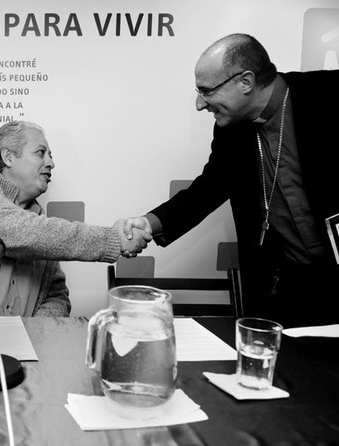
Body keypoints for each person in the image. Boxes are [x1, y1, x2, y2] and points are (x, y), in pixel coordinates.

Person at [124, 33, 339, 327]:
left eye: (207, 91)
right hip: (285, 289)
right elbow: (208, 189)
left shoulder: (329, 95)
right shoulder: (231, 129)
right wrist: (149, 223)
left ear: (245, 82)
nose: (200, 104)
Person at [0, 120, 151, 317]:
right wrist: (112, 239)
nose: (51, 163)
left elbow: (57, 296)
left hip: (22, 347)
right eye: (41, 153)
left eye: (50, 155)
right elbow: (21, 232)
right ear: (8, 157)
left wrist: (35, 331)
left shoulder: (41, 223)